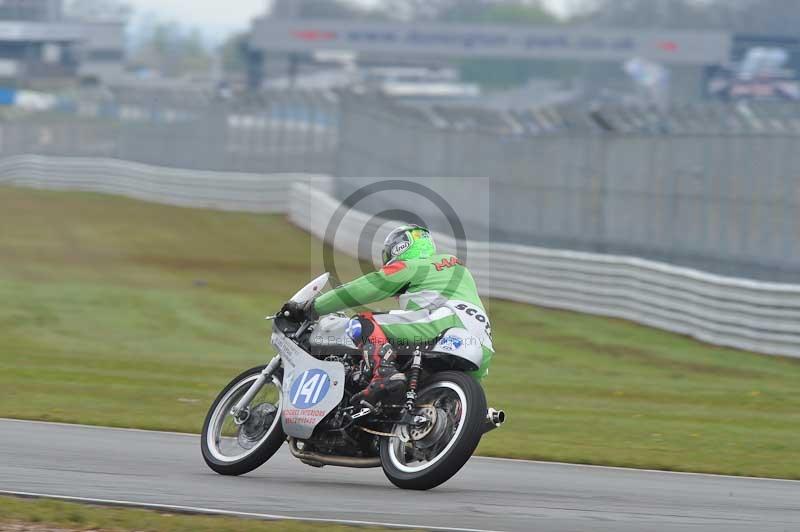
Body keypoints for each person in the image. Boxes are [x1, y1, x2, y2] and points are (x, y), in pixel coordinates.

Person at [284, 224, 493, 406]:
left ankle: (383, 372)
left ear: (400, 247)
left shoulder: (414, 265)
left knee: (362, 321)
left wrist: (313, 307)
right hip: (482, 343)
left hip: (443, 322)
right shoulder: (457, 269)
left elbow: (366, 287)